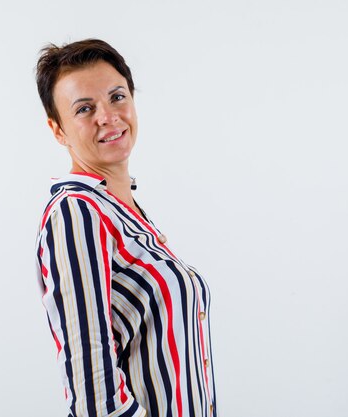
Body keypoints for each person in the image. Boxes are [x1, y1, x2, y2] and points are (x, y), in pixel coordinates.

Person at [34, 39, 217, 417]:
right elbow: (94, 396)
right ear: (58, 130)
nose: (108, 116)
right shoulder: (76, 213)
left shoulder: (125, 212)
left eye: (117, 97)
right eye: (84, 109)